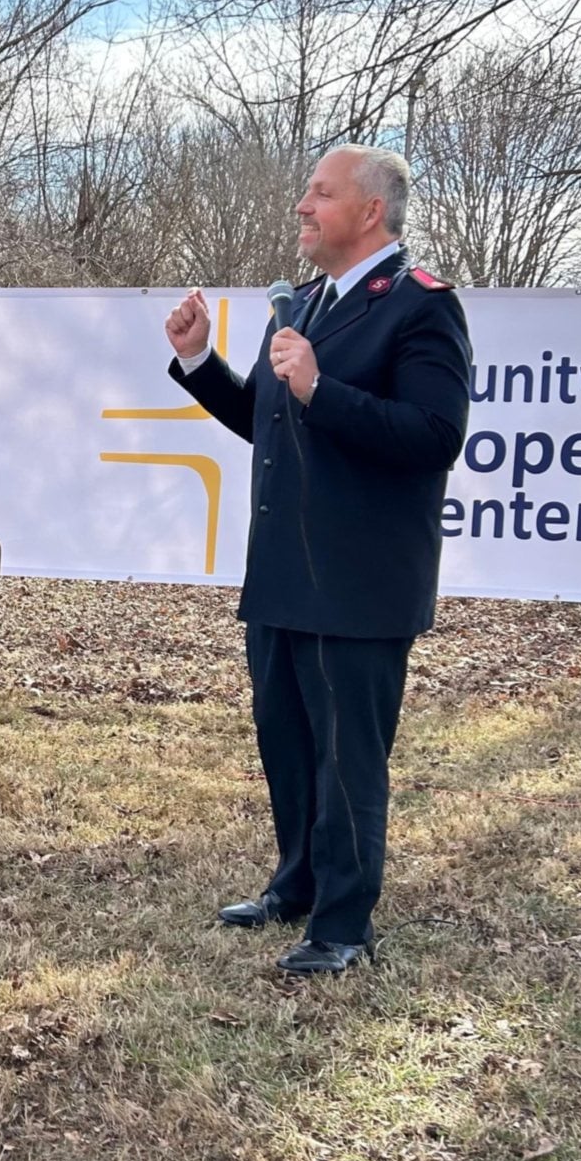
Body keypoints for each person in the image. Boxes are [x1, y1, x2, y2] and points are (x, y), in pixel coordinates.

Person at [163, 145, 470, 974]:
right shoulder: (298, 306)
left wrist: (322, 391)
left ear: (370, 211)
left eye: (319, 194)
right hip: (282, 577)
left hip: (359, 583)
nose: (302, 205)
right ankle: (296, 884)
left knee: (347, 761)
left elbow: (435, 438)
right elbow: (268, 416)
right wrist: (199, 362)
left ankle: (342, 926)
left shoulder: (419, 306)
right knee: (290, 745)